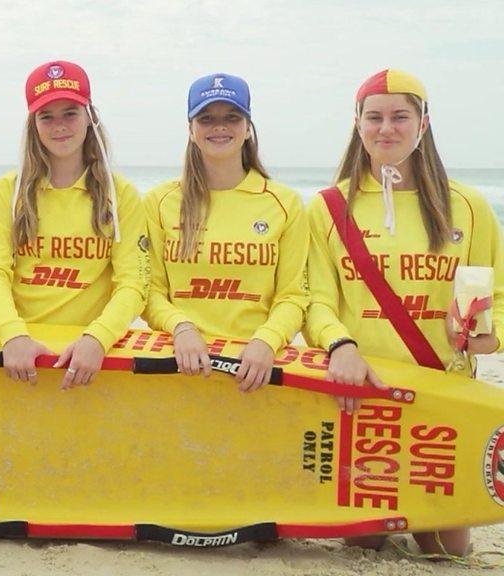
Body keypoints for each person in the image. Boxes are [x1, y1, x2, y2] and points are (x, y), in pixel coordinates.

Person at [305, 69, 504, 556]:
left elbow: (497, 294)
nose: (385, 129)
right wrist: (340, 344)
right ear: (357, 124)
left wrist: (491, 338)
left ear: (424, 123)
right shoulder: (329, 208)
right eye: (374, 117)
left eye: (400, 116)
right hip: (364, 395)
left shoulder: (468, 206)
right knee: (365, 542)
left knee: (445, 547)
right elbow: (316, 300)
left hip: (443, 397)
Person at [0, 60, 148, 389]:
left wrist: (97, 338)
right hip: (19, 355)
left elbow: (134, 284)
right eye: (46, 116)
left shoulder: (121, 194)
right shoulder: (7, 191)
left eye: (70, 112)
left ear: (89, 117)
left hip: (92, 358)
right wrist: (12, 334)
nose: (59, 126)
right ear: (33, 123)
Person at [142, 73, 309, 391]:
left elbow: (293, 296)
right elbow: (149, 292)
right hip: (177, 364)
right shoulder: (158, 202)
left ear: (248, 129)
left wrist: (266, 341)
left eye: (232, 117)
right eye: (206, 118)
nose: (219, 126)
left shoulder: (285, 204)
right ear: (191, 130)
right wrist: (182, 328)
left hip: (256, 369)